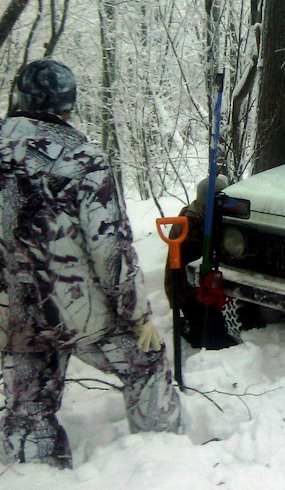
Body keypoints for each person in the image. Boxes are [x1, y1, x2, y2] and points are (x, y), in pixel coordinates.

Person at [0, 59, 180, 468]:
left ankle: (34, 479)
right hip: (72, 311)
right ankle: (165, 463)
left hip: (12, 312)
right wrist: (137, 316)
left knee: (28, 407)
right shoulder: (83, 158)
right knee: (146, 363)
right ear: (67, 105)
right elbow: (110, 248)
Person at [163, 174, 244, 350]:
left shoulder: (219, 220)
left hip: (214, 285)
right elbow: (180, 274)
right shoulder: (187, 225)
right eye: (207, 207)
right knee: (208, 337)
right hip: (190, 292)